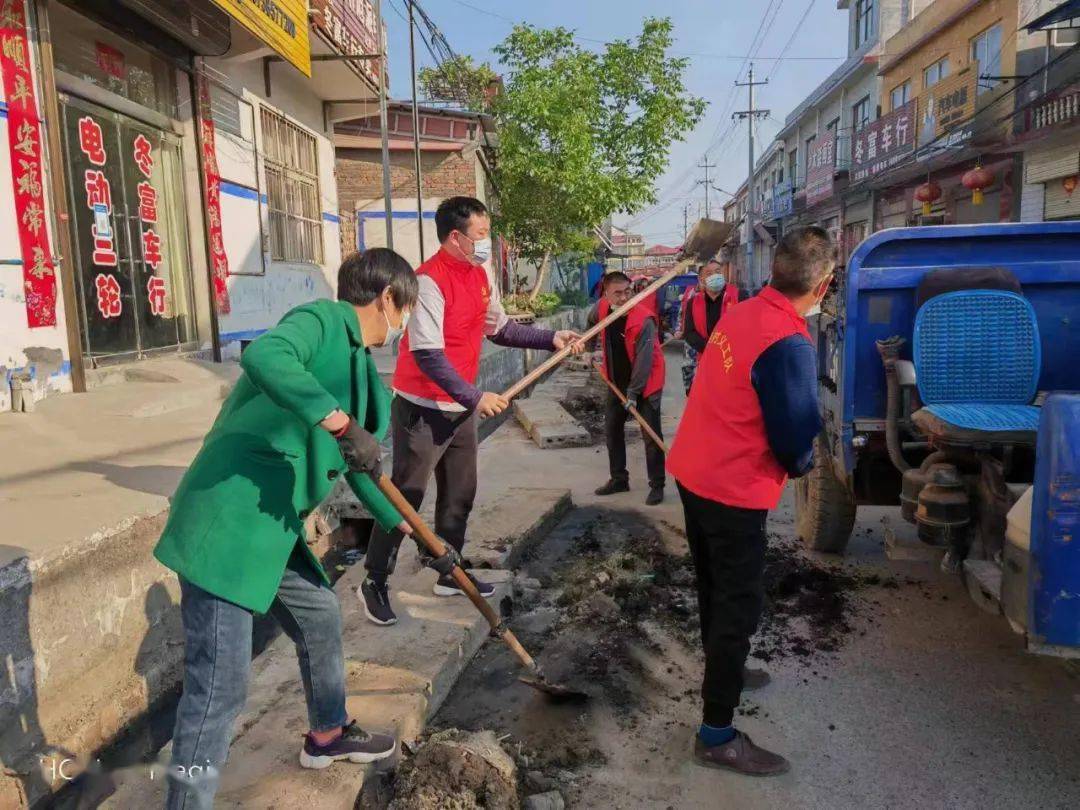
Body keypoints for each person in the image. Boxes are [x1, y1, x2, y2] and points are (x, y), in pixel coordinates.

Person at [154, 249, 419, 808]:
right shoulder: (323, 320)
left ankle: (328, 732)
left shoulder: (360, 368)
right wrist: (339, 421)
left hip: (272, 526)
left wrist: (415, 536)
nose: (402, 326)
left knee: (320, 615)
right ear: (388, 298)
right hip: (230, 522)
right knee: (218, 689)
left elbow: (361, 464)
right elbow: (267, 356)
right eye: (405, 311)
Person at [360, 196, 582, 626]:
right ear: (456, 237)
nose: (487, 242)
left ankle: (449, 573)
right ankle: (373, 581)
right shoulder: (427, 282)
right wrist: (476, 397)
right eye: (482, 235)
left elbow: (500, 329)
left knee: (460, 493)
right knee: (406, 499)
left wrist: (550, 338)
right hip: (422, 408)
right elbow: (427, 355)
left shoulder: (481, 274)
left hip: (459, 406)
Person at [666, 227, 834, 776]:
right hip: (731, 488)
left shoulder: (739, 314)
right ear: (824, 285)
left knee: (714, 585)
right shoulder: (788, 340)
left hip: (696, 472)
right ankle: (716, 733)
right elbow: (795, 435)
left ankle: (725, 663)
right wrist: (806, 465)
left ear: (773, 271)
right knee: (738, 600)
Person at [590, 270, 667, 506]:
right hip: (616, 381)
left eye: (627, 291)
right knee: (612, 429)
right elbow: (590, 323)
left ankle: (657, 485)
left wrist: (633, 394)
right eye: (618, 293)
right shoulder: (602, 308)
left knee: (650, 435)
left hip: (646, 383)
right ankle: (619, 479)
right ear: (606, 294)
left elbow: (644, 362)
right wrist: (589, 348)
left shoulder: (643, 319)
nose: (625, 298)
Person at [680, 260, 741, 395]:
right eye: (709, 273)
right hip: (705, 358)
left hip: (734, 360)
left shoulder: (738, 297)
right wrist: (711, 349)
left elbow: (746, 328)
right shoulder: (693, 303)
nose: (714, 276)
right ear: (701, 278)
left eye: (718, 272)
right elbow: (689, 333)